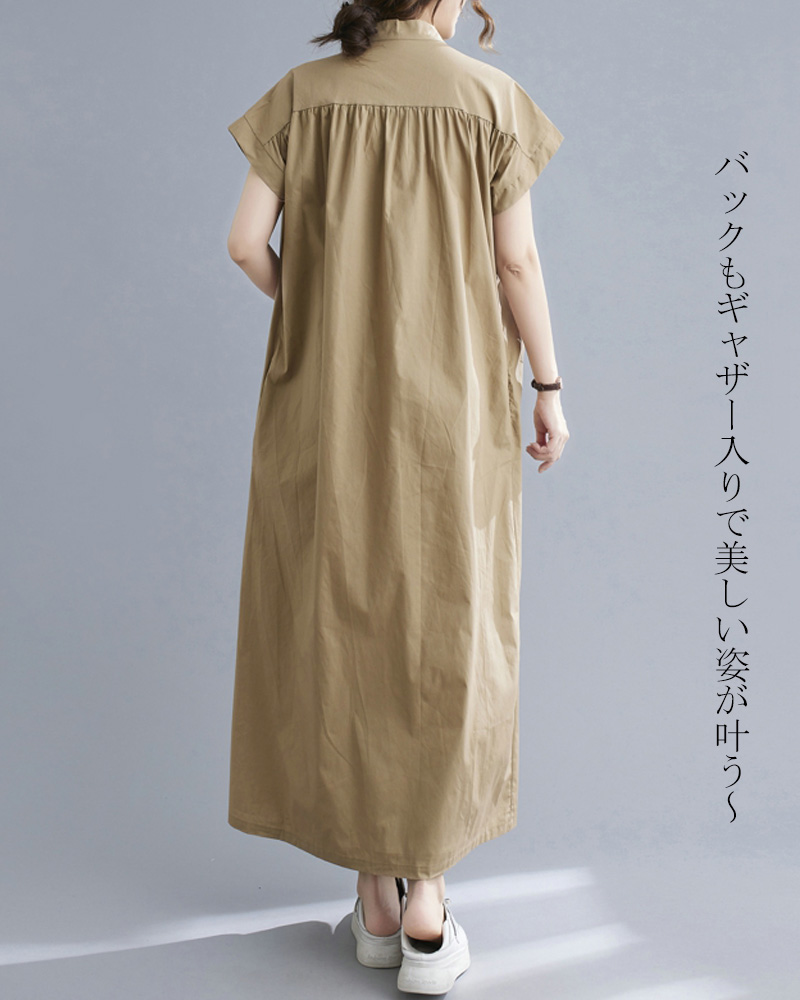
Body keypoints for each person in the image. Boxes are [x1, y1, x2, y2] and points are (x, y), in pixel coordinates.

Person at [226, 0, 569, 992]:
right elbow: (515, 261)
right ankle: (427, 907)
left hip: (324, 413)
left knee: (340, 622)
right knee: (444, 628)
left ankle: (376, 899)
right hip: (450, 420)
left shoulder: (303, 96)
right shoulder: (490, 101)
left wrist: (317, 306)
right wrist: (548, 385)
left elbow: (245, 243)